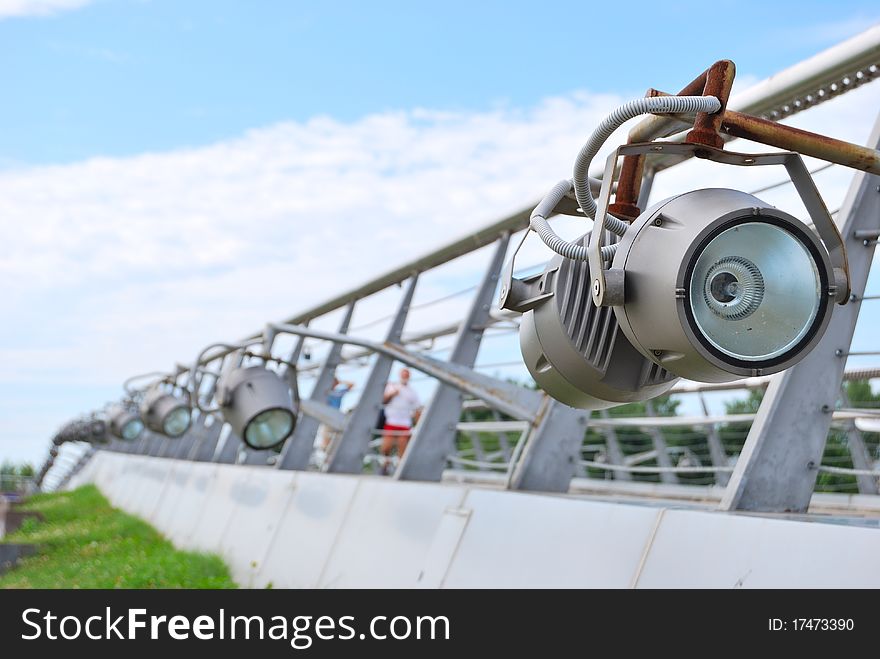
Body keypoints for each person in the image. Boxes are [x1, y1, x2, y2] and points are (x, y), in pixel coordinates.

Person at [380, 368, 422, 474]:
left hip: (404, 423)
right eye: (403, 374)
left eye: (406, 375)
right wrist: (392, 394)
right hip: (391, 421)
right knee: (386, 447)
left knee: (402, 448)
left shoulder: (413, 392)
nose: (405, 376)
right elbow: (383, 400)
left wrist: (419, 425)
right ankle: (386, 465)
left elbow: (417, 409)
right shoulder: (392, 386)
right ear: (400, 375)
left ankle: (400, 470)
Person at [321, 377, 354, 452]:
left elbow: (352, 384)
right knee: (326, 441)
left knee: (336, 439)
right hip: (326, 418)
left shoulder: (338, 392)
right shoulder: (325, 392)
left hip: (336, 417)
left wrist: (340, 381)